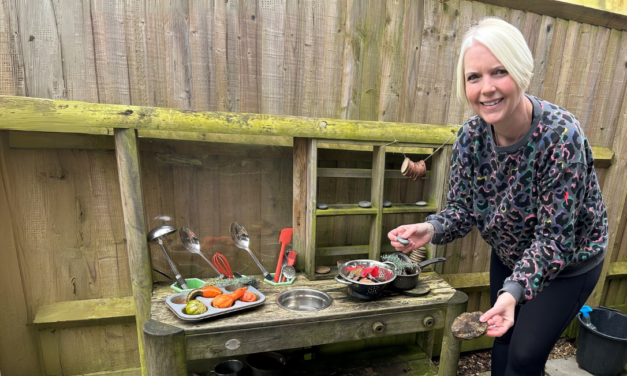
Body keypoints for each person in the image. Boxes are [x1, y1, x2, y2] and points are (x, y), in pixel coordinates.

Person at [388, 17, 607, 376]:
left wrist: (514, 291)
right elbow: (462, 209)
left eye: (499, 72)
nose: (486, 88)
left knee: (523, 357)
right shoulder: (470, 137)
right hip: (509, 254)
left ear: (520, 71)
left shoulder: (561, 136)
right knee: (501, 341)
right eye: (474, 77)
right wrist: (430, 230)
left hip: (568, 263)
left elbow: (554, 239)